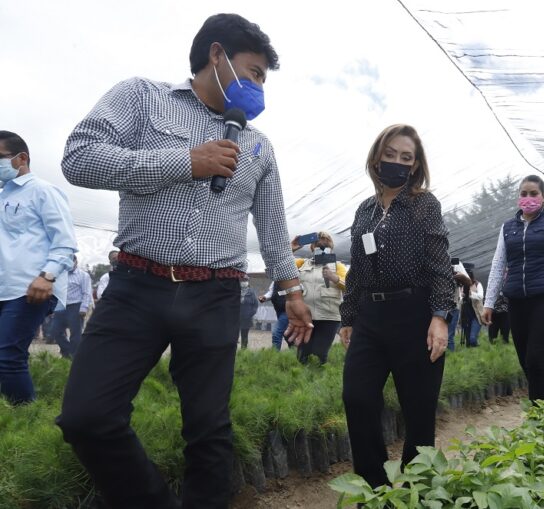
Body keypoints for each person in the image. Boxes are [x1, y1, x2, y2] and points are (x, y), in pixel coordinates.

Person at [56, 14, 313, 509]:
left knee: (209, 432)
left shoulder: (258, 145)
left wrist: (293, 291)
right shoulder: (142, 99)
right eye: (254, 71)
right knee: (87, 417)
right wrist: (183, 162)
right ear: (217, 56)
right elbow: (78, 157)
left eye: (263, 79)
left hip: (216, 293)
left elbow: (273, 226)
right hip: (136, 285)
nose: (259, 86)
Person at [339, 124, 454, 489]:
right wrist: (349, 317)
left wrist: (439, 317)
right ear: (377, 158)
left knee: (418, 408)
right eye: (390, 154)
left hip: (414, 313)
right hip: (371, 318)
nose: (397, 162)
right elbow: (357, 268)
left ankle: (417, 487)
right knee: (357, 397)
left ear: (415, 164)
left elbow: (439, 262)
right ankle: (374, 484)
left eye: (406, 157)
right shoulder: (365, 210)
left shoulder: (423, 205)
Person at [482, 174, 544, 401]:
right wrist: (489, 303)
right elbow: (498, 265)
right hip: (516, 299)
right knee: (525, 358)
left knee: (537, 356)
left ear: (543, 197)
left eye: (533, 193)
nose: (528, 198)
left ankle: (541, 412)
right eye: (524, 194)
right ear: (519, 197)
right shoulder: (508, 227)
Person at [0, 131, 78, 404]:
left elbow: (65, 242)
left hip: (31, 287)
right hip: (3, 286)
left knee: (8, 355)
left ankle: (26, 419)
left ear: (21, 158)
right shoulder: (2, 196)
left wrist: (47, 276)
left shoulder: (43, 191)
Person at [290, 231, 347, 364]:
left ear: (330, 247)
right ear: (312, 248)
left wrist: (334, 278)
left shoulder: (338, 266)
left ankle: (320, 381)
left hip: (328, 317)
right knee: (302, 354)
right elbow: (283, 267)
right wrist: (290, 250)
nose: (320, 248)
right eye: (317, 245)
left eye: (324, 246)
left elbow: (349, 287)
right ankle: (301, 381)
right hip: (305, 316)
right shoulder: (301, 264)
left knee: (319, 354)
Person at [50, 255, 93, 359]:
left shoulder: (83, 275)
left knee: (75, 334)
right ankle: (68, 351)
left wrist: (84, 308)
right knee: (55, 331)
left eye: (71, 261)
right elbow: (55, 292)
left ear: (76, 261)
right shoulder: (60, 275)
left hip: (76, 306)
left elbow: (87, 292)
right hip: (60, 307)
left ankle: (73, 357)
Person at [259, 281, 291, 350]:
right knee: (288, 334)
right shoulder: (275, 280)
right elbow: (271, 291)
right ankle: (296, 354)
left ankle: (274, 356)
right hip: (279, 310)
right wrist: (265, 297)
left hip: (288, 310)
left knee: (277, 333)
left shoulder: (291, 276)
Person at [459, 270, 484, 347]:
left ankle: (477, 344)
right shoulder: (461, 286)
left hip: (476, 316)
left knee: (472, 339)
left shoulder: (477, 284)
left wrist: (471, 294)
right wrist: (461, 296)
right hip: (465, 316)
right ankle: (474, 354)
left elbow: (481, 296)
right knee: (468, 343)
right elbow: (459, 300)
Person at [239, 277, 259, 349]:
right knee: (233, 335)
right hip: (236, 318)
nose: (244, 282)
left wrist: (251, 313)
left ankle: (243, 350)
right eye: (242, 280)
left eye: (245, 280)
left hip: (246, 318)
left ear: (248, 281)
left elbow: (256, 305)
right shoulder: (236, 291)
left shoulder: (251, 292)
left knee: (244, 336)